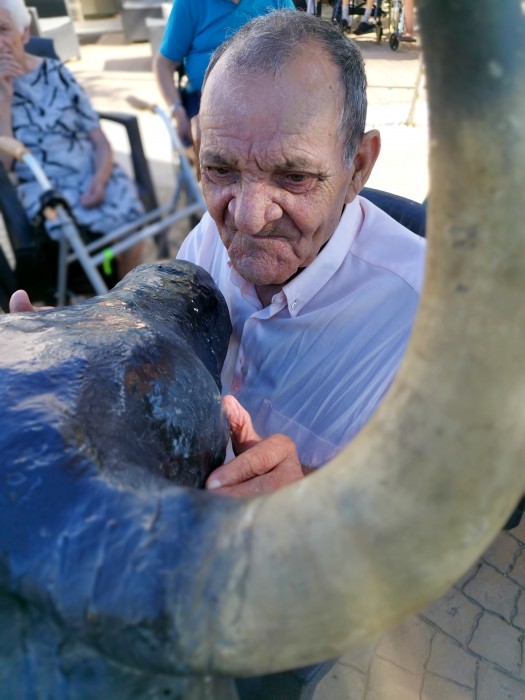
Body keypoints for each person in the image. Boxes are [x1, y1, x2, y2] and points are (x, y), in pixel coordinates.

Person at [11, 12, 426, 500]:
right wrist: (85, 360)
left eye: (294, 178)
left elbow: (443, 505)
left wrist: (316, 499)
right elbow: (166, 368)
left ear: (358, 166)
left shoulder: (432, 320)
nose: (247, 219)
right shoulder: (205, 238)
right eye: (221, 170)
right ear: (199, 147)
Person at [0, 0, 145, 281]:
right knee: (81, 236)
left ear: (24, 33)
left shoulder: (57, 73)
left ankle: (123, 294)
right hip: (45, 188)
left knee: (132, 227)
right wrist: (4, 98)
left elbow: (99, 139)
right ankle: (104, 289)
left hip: (89, 172)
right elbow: (5, 167)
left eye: (2, 29)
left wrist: (100, 180)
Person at [153, 0, 295, 149]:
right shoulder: (189, 3)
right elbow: (164, 63)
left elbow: (297, 48)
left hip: (267, 101)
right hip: (205, 101)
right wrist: (177, 110)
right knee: (205, 142)